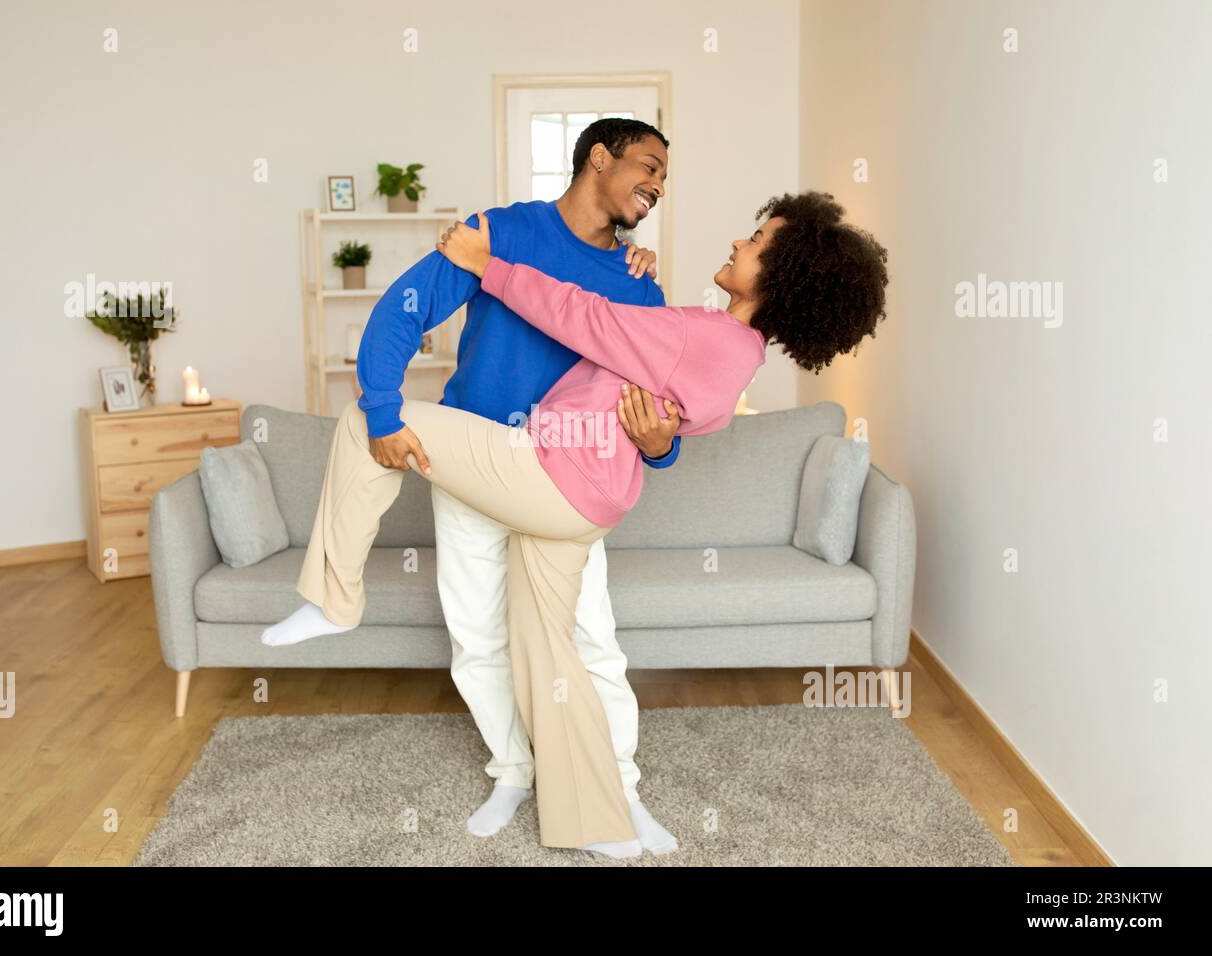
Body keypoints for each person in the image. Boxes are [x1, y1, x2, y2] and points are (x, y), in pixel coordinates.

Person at [263, 190, 890, 857]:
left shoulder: (710, 337)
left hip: (547, 477)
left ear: (783, 275)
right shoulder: (727, 348)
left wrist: (490, 264)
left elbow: (587, 321)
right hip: (580, 496)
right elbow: (649, 379)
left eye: (756, 241)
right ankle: (598, 821)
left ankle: (333, 599)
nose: (739, 244)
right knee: (546, 653)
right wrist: (627, 281)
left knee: (369, 421)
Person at [270, 118, 687, 854]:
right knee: (477, 635)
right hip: (475, 465)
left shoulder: (637, 285)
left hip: (567, 479)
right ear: (600, 156)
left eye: (664, 177)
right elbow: (404, 308)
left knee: (591, 641)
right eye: (648, 166)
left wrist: (660, 448)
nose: (656, 185)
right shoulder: (497, 231)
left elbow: (660, 410)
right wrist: (381, 406)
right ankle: (514, 772)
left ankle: (618, 788)